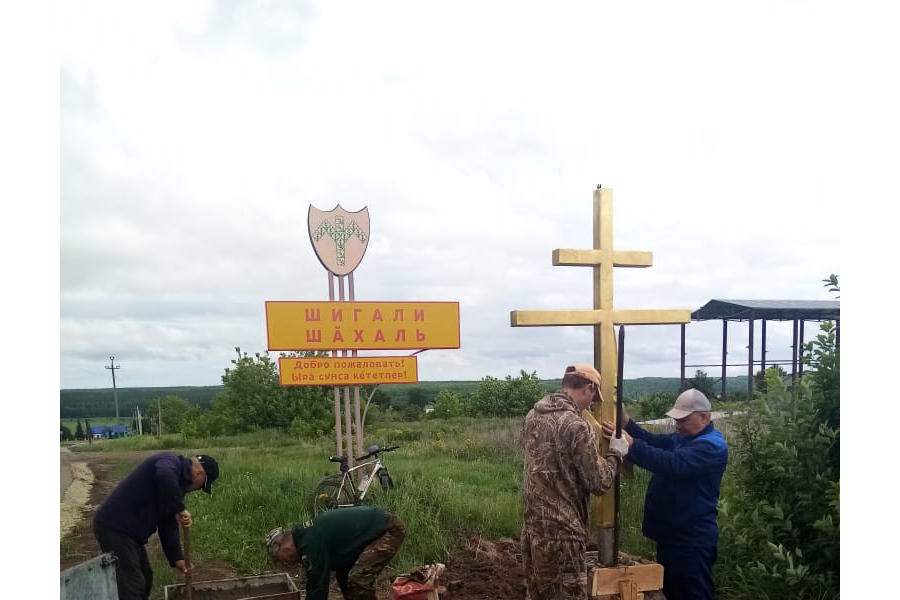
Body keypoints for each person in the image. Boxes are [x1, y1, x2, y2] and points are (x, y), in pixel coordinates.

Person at [601, 388, 728, 600]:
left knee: (693, 594)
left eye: (683, 420)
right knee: (672, 592)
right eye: (676, 420)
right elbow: (654, 442)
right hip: (673, 536)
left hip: (691, 541)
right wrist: (626, 424)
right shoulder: (685, 437)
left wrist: (631, 447)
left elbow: (672, 464)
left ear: (704, 417)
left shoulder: (711, 446)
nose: (678, 425)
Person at [521, 363, 630, 600]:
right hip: (563, 534)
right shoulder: (576, 426)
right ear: (589, 387)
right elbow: (599, 482)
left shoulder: (533, 415)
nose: (591, 403)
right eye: (594, 396)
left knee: (538, 594)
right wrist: (616, 454)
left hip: (533, 529)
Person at [92, 452, 219, 600]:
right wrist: (180, 508)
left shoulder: (175, 488)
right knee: (132, 585)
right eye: (201, 486)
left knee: (146, 578)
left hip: (129, 534)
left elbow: (167, 524)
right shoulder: (170, 462)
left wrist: (177, 558)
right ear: (199, 473)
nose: (197, 489)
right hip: (114, 527)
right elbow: (164, 475)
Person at [265, 505, 406, 600]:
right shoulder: (305, 537)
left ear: (286, 547)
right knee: (345, 577)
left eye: (281, 559)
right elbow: (320, 577)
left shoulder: (310, 542)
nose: (285, 562)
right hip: (374, 530)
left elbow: (318, 585)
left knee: (357, 580)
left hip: (388, 530)